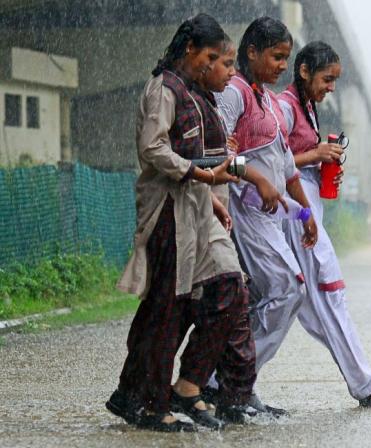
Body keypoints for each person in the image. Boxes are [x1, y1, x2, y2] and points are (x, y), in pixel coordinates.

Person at [106, 15, 280, 431]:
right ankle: (151, 401)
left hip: (199, 208)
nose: (223, 69)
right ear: (193, 52)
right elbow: (156, 149)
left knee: (219, 294)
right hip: (170, 209)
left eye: (226, 62)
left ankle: (180, 388)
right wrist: (206, 179)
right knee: (168, 306)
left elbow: (219, 159)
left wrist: (219, 188)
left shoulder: (203, 96)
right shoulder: (165, 89)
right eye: (217, 60)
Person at [278, 41, 371, 407]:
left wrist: (319, 163)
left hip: (305, 208)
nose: (331, 88)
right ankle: (368, 385)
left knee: (288, 303)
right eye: (327, 79)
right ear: (304, 71)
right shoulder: (285, 107)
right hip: (297, 212)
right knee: (326, 293)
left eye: (336, 81)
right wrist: (315, 155)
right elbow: (271, 162)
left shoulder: (305, 107)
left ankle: (220, 384)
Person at [208, 16, 317, 415]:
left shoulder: (268, 100)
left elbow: (286, 166)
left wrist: (305, 210)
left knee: (261, 300)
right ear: (250, 52)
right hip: (246, 211)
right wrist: (255, 179)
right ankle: (228, 383)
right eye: (275, 56)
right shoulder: (233, 93)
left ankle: (229, 383)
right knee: (287, 290)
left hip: (273, 217)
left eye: (286, 58)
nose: (281, 66)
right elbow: (217, 152)